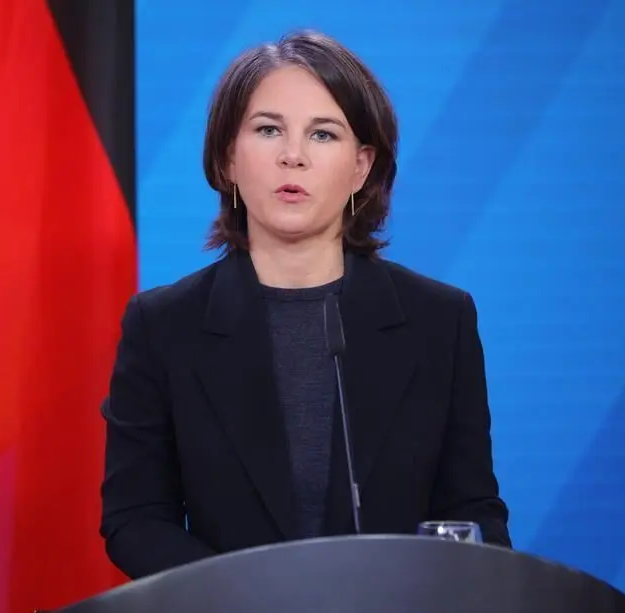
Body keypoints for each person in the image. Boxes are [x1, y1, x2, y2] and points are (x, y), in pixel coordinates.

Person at [98, 29, 511, 580]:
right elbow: (136, 519)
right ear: (228, 158)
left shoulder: (439, 320)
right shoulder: (164, 327)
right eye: (268, 130)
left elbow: (472, 511)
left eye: (323, 134)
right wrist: (252, 598)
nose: (292, 156)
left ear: (361, 166)